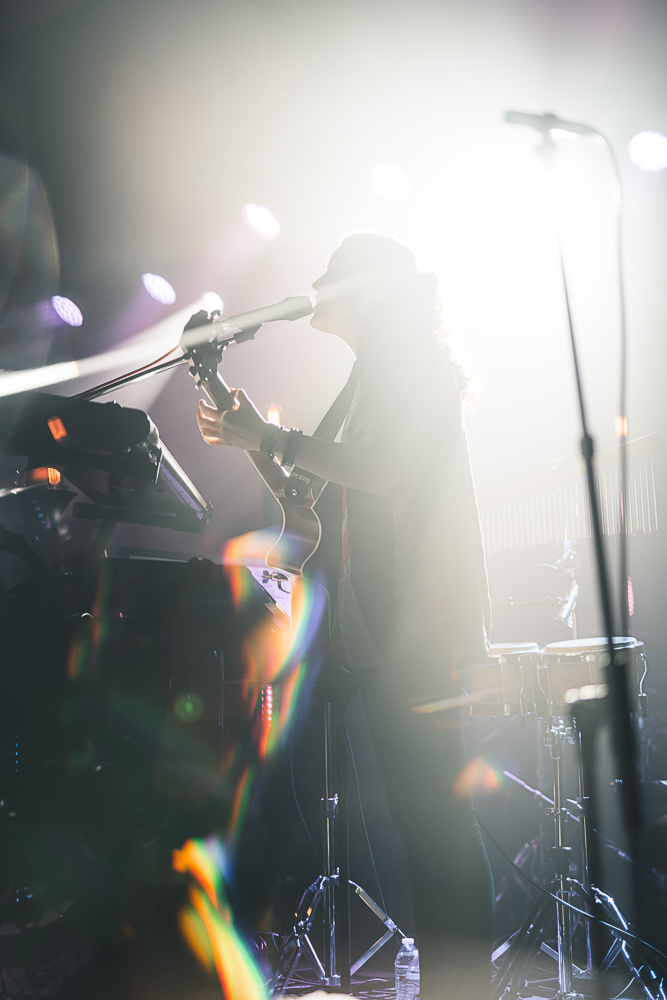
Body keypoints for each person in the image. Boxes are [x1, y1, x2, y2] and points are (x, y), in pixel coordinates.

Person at [196, 233, 494, 999]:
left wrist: (271, 437)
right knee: (418, 822)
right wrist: (248, 439)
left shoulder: (413, 372)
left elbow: (389, 471)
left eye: (332, 280)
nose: (317, 291)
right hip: (380, 633)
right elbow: (313, 502)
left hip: (420, 632)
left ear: (365, 292)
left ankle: (459, 989)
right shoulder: (366, 380)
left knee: (435, 827)